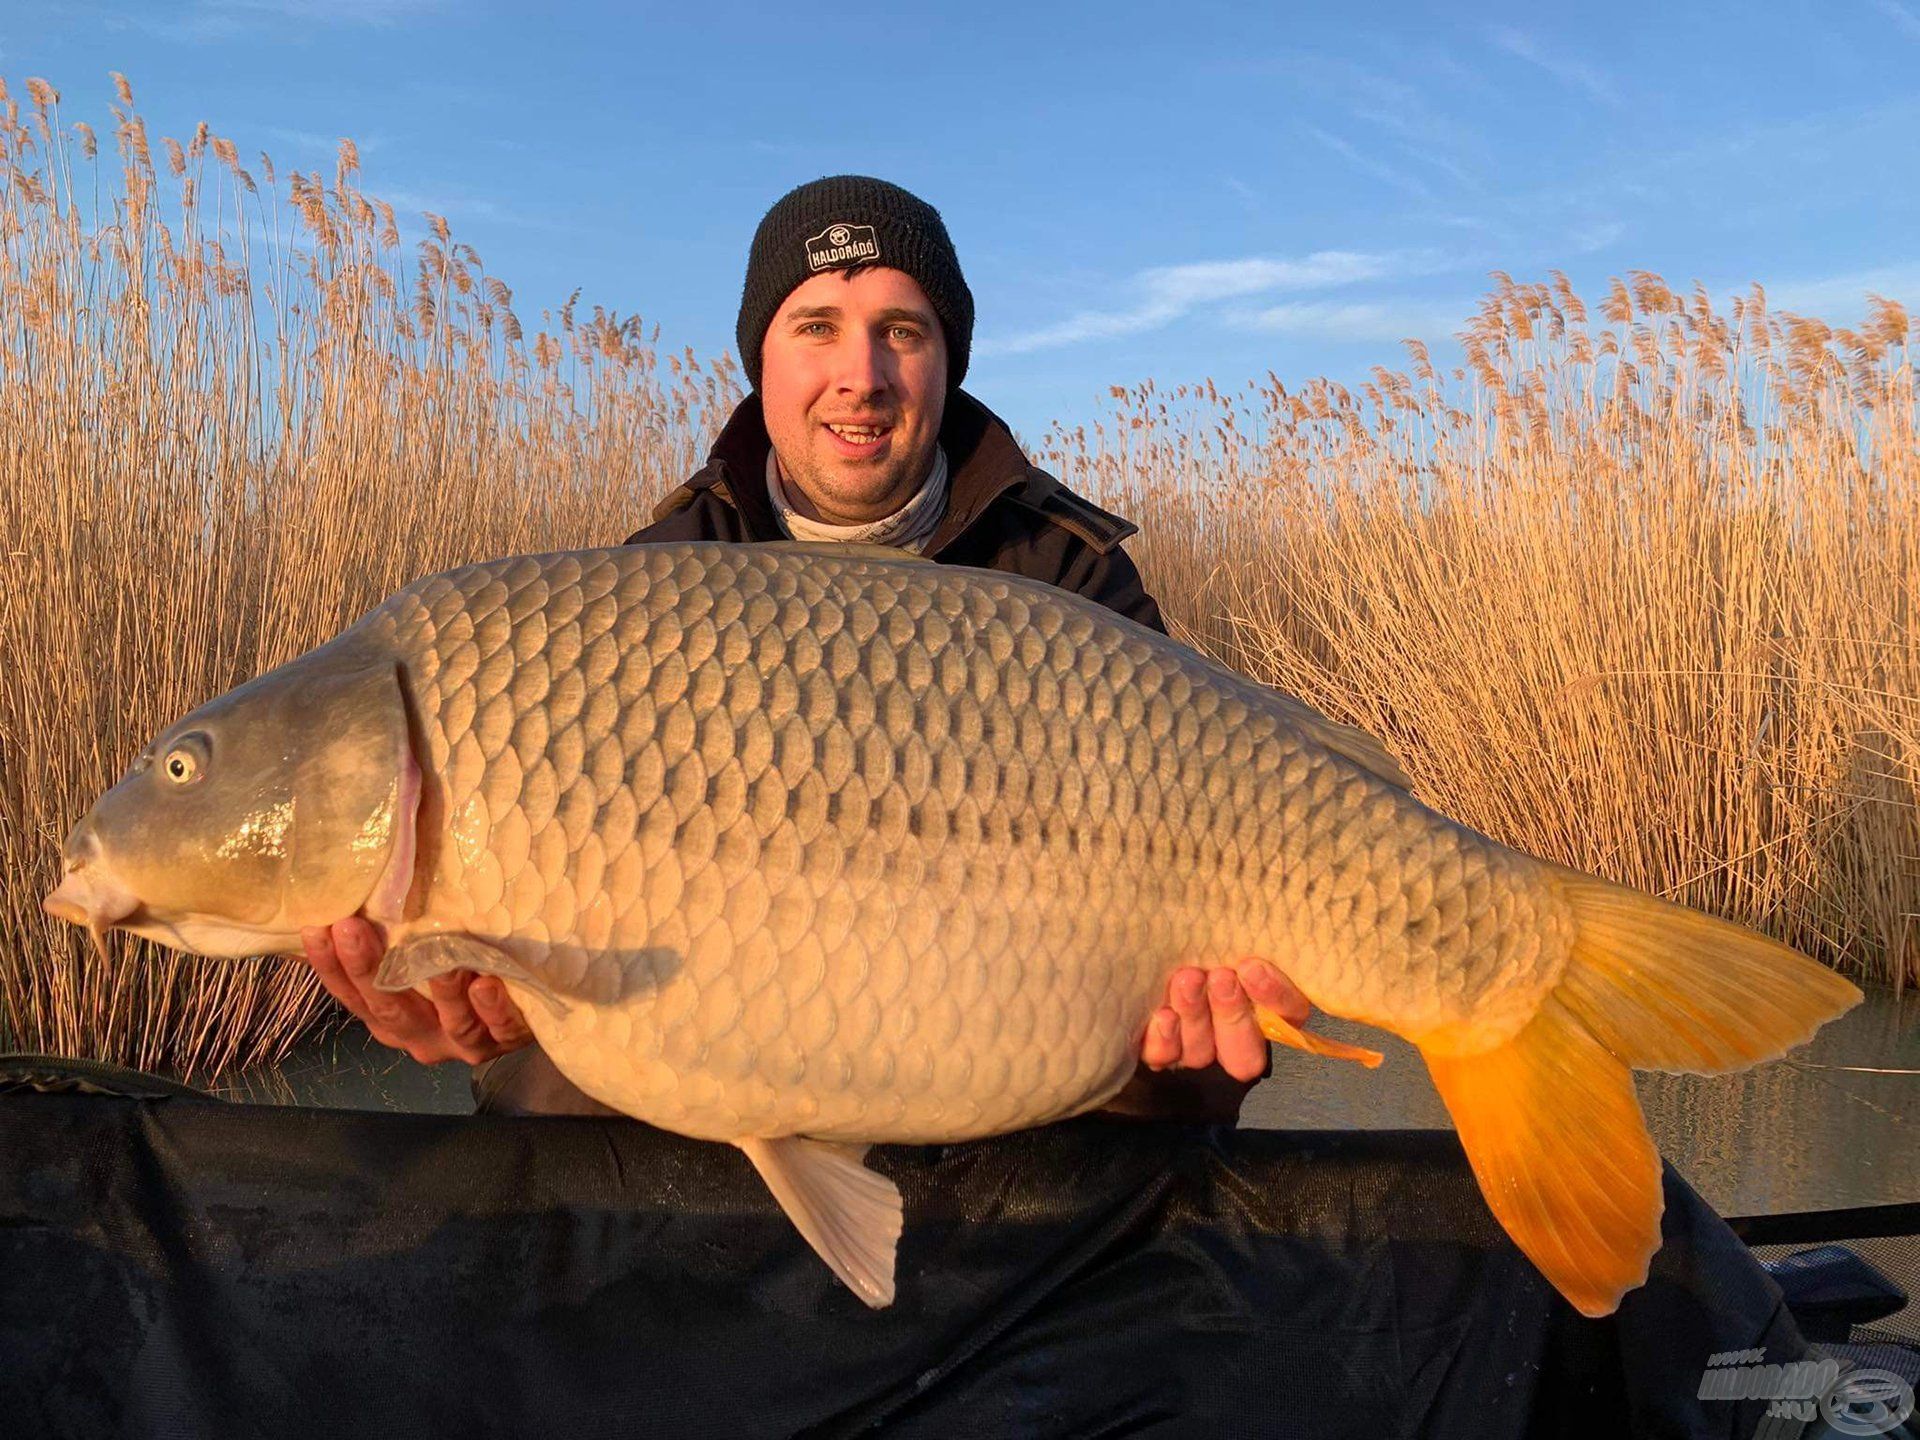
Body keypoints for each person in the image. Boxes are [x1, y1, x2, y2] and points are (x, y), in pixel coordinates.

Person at [300, 176, 1309, 1120]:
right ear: (762, 359)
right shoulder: (650, 586)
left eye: (900, 332)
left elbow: (1206, 1041)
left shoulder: (1067, 574)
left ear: (946, 359)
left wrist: (1176, 1067)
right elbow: (557, 998)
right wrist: (504, 1032)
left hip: (1015, 1129)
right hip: (719, 1128)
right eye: (816, 328)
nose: (859, 377)